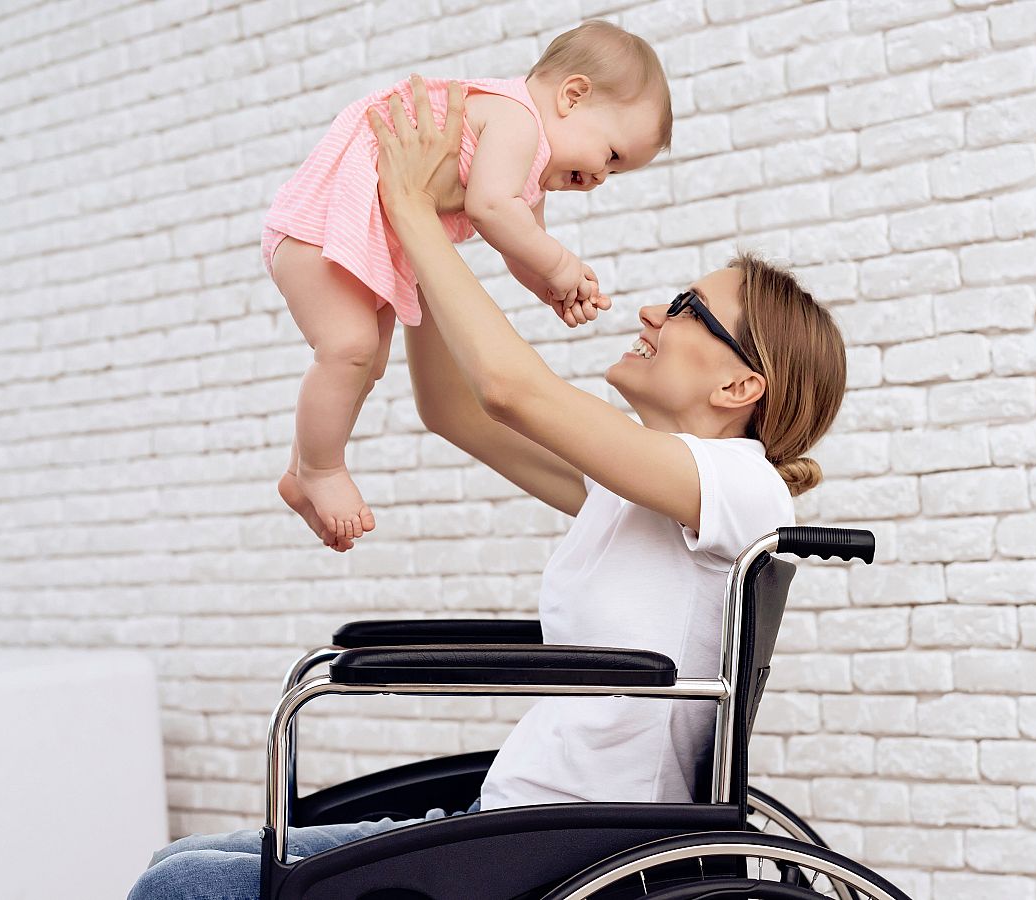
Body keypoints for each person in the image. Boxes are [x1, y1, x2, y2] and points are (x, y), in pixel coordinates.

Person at [127, 76, 847, 900]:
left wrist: (408, 208)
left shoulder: (741, 486)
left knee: (182, 889)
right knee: (176, 866)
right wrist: (427, 232)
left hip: (572, 845)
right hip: (516, 819)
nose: (652, 311)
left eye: (688, 307)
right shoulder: (641, 489)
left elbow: (510, 390)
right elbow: (456, 410)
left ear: (739, 387)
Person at [269, 20, 673, 549]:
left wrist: (548, 286)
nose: (600, 178)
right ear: (572, 96)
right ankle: (321, 470)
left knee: (365, 364)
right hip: (324, 225)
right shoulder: (516, 121)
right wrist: (558, 264)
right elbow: (489, 209)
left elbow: (518, 241)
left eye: (615, 175)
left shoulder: (531, 166)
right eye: (612, 155)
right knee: (349, 348)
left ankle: (301, 469)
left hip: (375, 238)